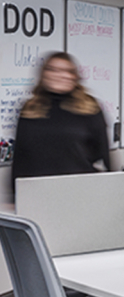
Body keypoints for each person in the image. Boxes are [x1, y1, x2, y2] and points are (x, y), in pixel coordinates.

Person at [11, 52, 116, 196]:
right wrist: (14, 195)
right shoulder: (30, 109)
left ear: (74, 76)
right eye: (53, 70)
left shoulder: (89, 108)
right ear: (44, 74)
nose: (60, 75)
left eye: (67, 71)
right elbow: (20, 156)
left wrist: (113, 190)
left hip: (79, 190)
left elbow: (103, 152)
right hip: (37, 192)